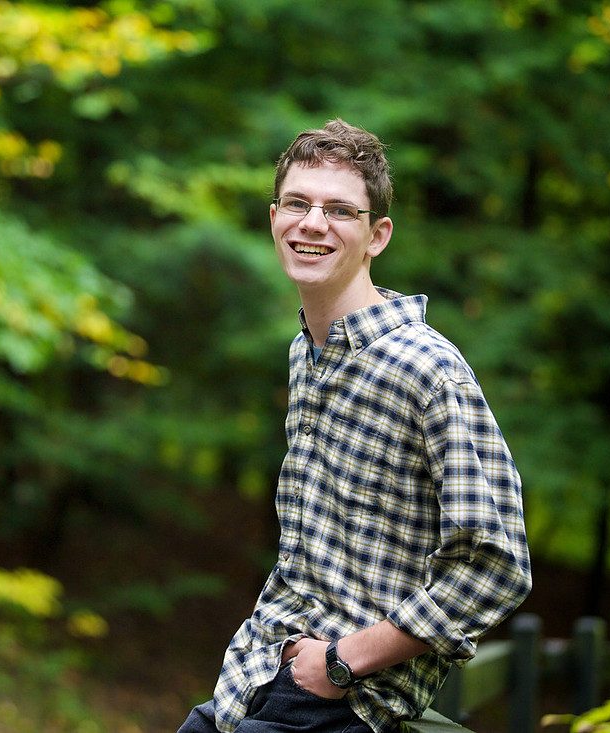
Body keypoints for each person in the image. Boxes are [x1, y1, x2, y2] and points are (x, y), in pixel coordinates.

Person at [177, 119, 532, 733]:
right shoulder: (306, 354)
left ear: (377, 235)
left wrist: (341, 663)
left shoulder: (427, 369)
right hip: (259, 668)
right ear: (274, 218)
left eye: (340, 211)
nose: (313, 224)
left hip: (347, 700)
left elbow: (498, 564)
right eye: (298, 203)